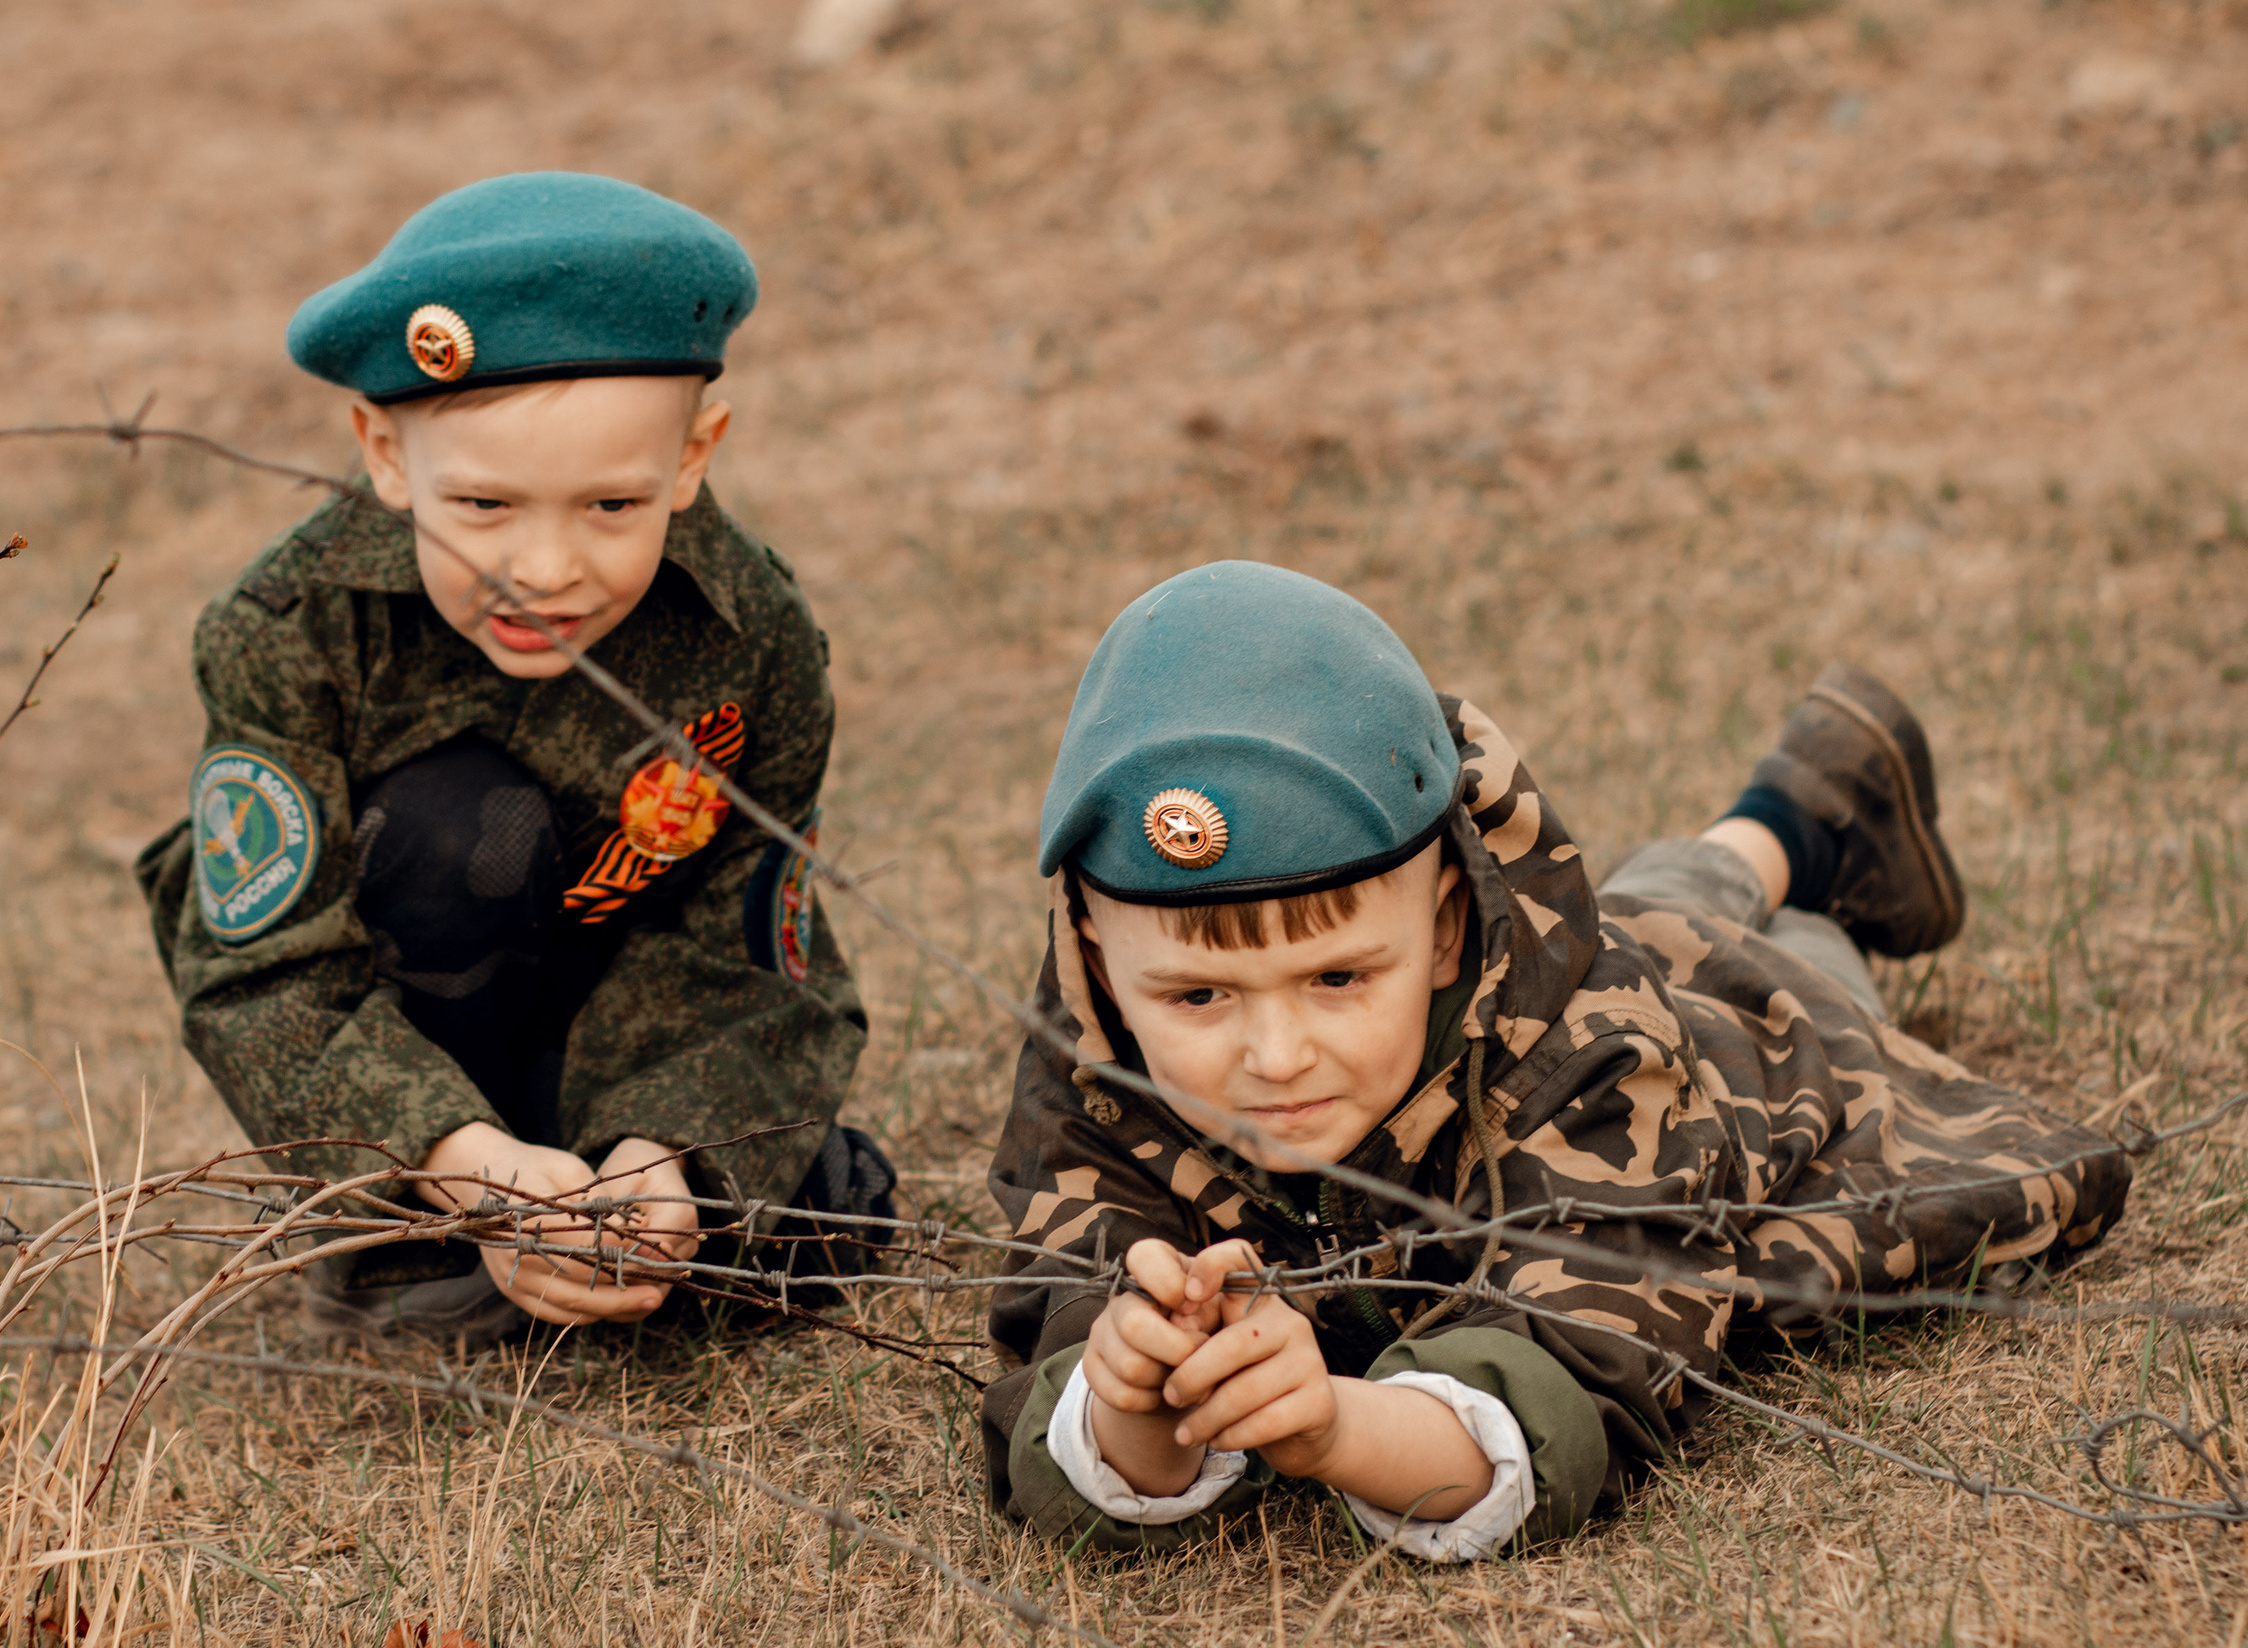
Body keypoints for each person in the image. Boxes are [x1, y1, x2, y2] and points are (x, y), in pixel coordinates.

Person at [981, 561, 2129, 1558]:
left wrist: (1335, 1427)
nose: (1275, 1057)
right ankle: (1788, 811)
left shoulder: (1600, 1054)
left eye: (1337, 978)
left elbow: (1587, 1377)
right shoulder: (1096, 1055)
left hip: (1753, 1068)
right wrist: (1132, 1398)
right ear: (1098, 957)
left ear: (1445, 927)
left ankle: (1808, 818)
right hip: (1608, 943)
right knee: (1648, 907)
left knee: (1779, 971)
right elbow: (1058, 1334)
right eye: (1197, 996)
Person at [136, 173, 889, 1346]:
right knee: (456, 823)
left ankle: (599, 1217)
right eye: (484, 506)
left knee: (831, 1211)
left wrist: (663, 1154)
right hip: (419, 1052)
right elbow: (263, 976)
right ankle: (409, 1243)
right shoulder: (291, 629)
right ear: (385, 454)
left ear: (694, 457)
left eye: (611, 505)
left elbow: (751, 945)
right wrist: (468, 1169)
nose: (543, 570)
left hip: (621, 1030)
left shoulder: (753, 636)